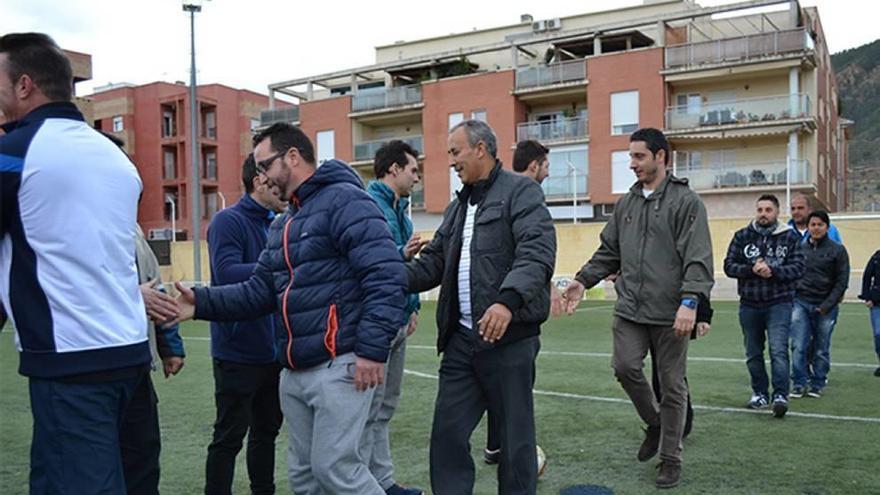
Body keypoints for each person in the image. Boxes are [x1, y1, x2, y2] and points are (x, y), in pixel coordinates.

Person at [171, 123, 407, 495]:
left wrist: (372, 351)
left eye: (265, 165)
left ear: (293, 157)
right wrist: (200, 302)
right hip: (295, 370)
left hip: (340, 362)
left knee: (336, 469)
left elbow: (386, 275)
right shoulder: (285, 222)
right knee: (304, 478)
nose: (261, 176)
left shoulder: (346, 200)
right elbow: (258, 292)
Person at [0, 33, 150, 494]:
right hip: (130, 358)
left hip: (70, 366)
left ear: (24, 86)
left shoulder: (16, 152)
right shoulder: (116, 156)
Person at [407, 120, 556, 495]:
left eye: (455, 152)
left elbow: (536, 254)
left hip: (510, 341)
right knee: (447, 434)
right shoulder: (457, 209)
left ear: (481, 149)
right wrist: (383, 275)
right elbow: (432, 264)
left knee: (515, 440)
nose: (451, 161)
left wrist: (507, 302)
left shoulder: (522, 192)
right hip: (461, 342)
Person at [562, 127, 714, 489]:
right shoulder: (626, 204)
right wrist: (583, 280)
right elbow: (608, 252)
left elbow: (698, 258)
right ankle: (656, 424)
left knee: (673, 388)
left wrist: (690, 302)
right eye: (630, 156)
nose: (632, 164)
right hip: (630, 309)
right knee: (624, 367)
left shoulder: (686, 202)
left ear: (660, 156)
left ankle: (670, 459)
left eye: (638, 156)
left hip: (671, 313)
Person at [204, 154, 288, 495]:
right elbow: (226, 274)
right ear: (258, 180)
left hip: (274, 351)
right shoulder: (227, 221)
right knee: (229, 437)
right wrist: (278, 267)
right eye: (278, 181)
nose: (285, 190)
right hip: (237, 351)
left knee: (266, 433)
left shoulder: (278, 223)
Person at [483, 139, 556, 468]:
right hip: (515, 311)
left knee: (498, 383)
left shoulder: (498, 192)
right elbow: (528, 254)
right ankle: (514, 454)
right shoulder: (526, 193)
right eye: (547, 165)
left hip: (501, 305)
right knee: (516, 387)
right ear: (535, 165)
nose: (549, 172)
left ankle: (496, 445)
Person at [364, 139, 425, 495]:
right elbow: (379, 262)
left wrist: (413, 306)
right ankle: (366, 482)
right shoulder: (370, 205)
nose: (417, 177)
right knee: (370, 408)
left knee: (385, 405)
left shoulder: (399, 208)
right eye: (413, 170)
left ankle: (383, 480)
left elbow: (405, 268)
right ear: (394, 170)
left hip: (398, 318)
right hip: (380, 321)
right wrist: (403, 252)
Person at [723, 194, 804, 417]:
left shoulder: (790, 237)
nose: (763, 214)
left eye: (768, 210)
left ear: (777, 212)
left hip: (779, 303)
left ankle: (780, 395)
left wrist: (773, 271)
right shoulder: (742, 236)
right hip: (749, 303)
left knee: (778, 350)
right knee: (753, 352)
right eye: (760, 210)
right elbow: (729, 266)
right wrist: (752, 269)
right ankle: (759, 393)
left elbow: (798, 268)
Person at [122, 224, 187, 495]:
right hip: (88, 364)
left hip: (138, 363)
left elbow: (156, 289)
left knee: (143, 454)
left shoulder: (134, 232)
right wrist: (130, 295)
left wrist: (170, 345)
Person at [789, 211, 849, 399]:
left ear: (827, 227)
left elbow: (841, 281)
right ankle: (799, 382)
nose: (816, 228)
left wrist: (827, 305)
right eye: (813, 225)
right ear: (808, 228)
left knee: (821, 347)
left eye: (820, 224)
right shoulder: (800, 248)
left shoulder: (838, 250)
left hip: (826, 306)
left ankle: (818, 382)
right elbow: (793, 274)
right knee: (799, 345)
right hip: (801, 303)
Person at [857, 249, 880, 377]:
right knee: (879, 334)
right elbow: (867, 276)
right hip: (877, 303)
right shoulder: (877, 256)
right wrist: (867, 296)